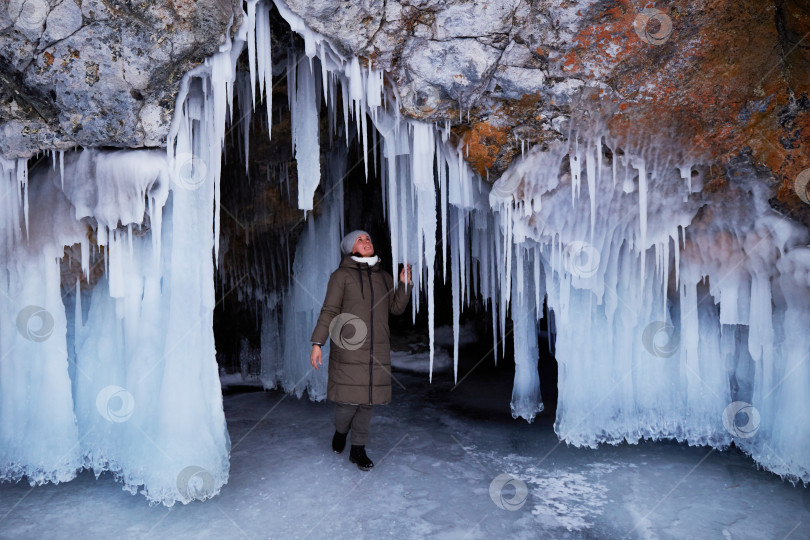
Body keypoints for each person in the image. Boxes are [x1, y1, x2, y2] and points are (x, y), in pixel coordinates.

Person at [310, 230, 413, 470]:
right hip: (349, 348)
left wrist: (404, 286)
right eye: (360, 240)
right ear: (349, 248)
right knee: (347, 403)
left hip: (377, 350)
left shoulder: (384, 277)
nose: (366, 242)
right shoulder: (341, 276)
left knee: (368, 402)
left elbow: (396, 309)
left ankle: (358, 449)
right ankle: (340, 431)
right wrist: (318, 343)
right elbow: (329, 311)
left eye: (368, 238)